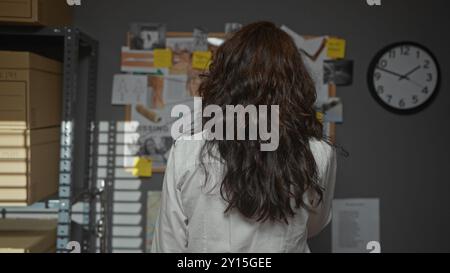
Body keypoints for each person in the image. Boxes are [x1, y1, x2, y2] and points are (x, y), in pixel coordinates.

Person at [152, 21, 336, 253]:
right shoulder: (318, 152)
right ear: (294, 83)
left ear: (225, 80)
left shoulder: (187, 150)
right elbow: (313, 225)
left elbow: (168, 245)